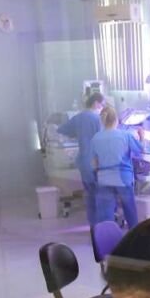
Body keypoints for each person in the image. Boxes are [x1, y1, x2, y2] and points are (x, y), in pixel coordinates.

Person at [89, 105, 143, 228]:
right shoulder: (126, 136)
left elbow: (93, 163)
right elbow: (140, 150)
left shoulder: (96, 138)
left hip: (104, 178)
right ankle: (134, 233)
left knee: (105, 214)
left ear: (102, 120)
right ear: (117, 120)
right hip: (123, 178)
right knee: (129, 210)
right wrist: (142, 137)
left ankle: (107, 236)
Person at [57, 91, 104, 225]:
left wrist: (78, 134)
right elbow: (106, 137)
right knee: (101, 194)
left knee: (90, 194)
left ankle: (93, 226)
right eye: (102, 105)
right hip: (96, 162)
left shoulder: (78, 118)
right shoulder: (97, 119)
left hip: (84, 161)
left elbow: (61, 130)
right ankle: (103, 225)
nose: (102, 108)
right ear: (96, 103)